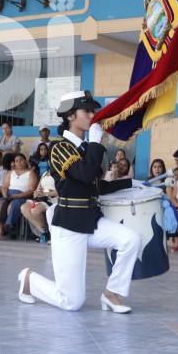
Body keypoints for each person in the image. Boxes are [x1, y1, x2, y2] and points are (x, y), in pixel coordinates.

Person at [18, 90, 142, 313]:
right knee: (72, 302)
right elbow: (85, 174)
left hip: (91, 221)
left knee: (131, 240)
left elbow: (96, 186)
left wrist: (131, 184)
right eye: (87, 111)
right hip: (69, 225)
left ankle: (111, 293)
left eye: (93, 111)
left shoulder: (87, 148)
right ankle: (29, 280)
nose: (92, 116)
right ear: (71, 116)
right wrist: (95, 141)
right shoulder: (59, 148)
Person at [0, 153, 37, 240]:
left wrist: (18, 196)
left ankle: (5, 227)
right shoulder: (11, 172)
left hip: (22, 196)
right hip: (9, 194)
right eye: (16, 161)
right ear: (14, 163)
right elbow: (4, 186)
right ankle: (0, 229)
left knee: (13, 204)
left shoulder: (31, 173)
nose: (19, 162)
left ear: (25, 161)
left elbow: (31, 190)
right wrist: (5, 194)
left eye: (21, 160)